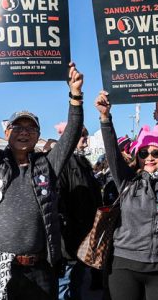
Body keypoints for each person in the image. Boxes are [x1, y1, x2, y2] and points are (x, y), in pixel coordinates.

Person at [94, 86, 158, 300]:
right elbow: (113, 153)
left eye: (156, 152)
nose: (149, 157)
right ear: (137, 156)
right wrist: (105, 118)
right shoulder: (127, 180)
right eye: (143, 152)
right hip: (124, 266)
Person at [0, 62, 84, 300]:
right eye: (17, 127)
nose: (24, 132)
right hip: (2, 268)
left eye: (31, 128)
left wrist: (75, 94)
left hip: (41, 268)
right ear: (6, 133)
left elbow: (71, 135)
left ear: (38, 135)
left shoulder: (47, 164)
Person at [57, 125, 102, 300]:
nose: (84, 138)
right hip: (69, 242)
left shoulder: (83, 163)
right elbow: (59, 203)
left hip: (84, 238)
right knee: (65, 285)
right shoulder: (62, 162)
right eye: (80, 134)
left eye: (85, 134)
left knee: (77, 284)